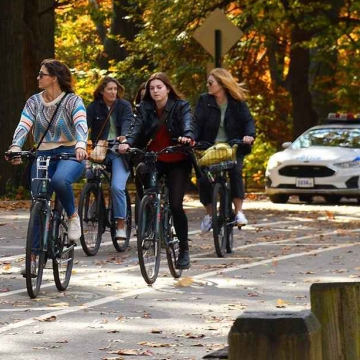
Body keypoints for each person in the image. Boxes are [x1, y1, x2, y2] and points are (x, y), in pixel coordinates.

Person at [7, 59, 89, 244]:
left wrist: (81, 144)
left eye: (41, 74)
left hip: (70, 152)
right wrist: (15, 146)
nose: (37, 77)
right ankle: (34, 259)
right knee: (38, 202)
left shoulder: (72, 101)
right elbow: (23, 125)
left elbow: (81, 124)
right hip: (43, 154)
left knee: (60, 181)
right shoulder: (34, 102)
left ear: (54, 78)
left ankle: (73, 216)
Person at [119, 71, 195, 270]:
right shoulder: (144, 107)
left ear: (168, 89)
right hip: (154, 158)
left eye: (159, 87)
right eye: (152, 88)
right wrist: (127, 142)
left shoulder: (181, 106)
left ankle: (184, 249)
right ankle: (150, 213)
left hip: (177, 159)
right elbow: (135, 128)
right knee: (143, 172)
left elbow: (188, 123)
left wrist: (187, 136)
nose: (155, 91)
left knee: (177, 205)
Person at [194, 68, 257, 229]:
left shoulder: (237, 101)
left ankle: (238, 212)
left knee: (235, 172)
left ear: (222, 83)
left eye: (210, 82)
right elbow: (196, 122)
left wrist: (249, 135)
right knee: (203, 178)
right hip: (210, 148)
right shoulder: (204, 100)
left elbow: (248, 121)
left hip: (233, 147)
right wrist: (191, 138)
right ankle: (209, 214)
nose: (207, 85)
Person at [86, 75, 135, 239]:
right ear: (101, 91)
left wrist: (124, 137)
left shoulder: (124, 106)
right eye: (110, 89)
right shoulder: (93, 107)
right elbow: (84, 126)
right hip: (100, 151)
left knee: (116, 187)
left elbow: (128, 121)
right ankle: (95, 203)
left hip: (119, 152)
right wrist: (80, 143)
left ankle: (121, 224)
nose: (113, 92)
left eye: (115, 89)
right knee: (90, 174)